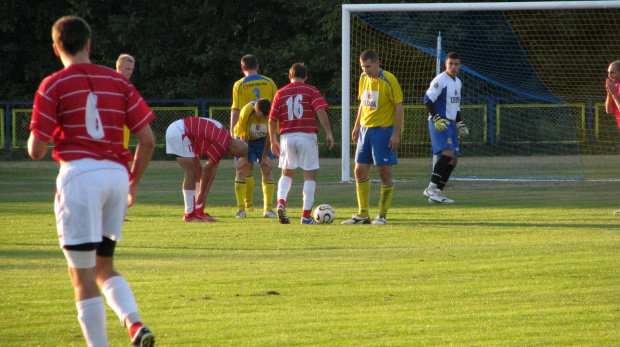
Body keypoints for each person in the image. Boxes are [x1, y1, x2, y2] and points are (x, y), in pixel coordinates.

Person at [28, 16, 155, 347]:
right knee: (104, 266)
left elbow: (37, 150)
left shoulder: (53, 84)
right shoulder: (119, 82)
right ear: (89, 44)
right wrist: (133, 183)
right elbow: (147, 139)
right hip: (115, 176)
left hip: (80, 176)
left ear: (56, 49)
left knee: (82, 276)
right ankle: (135, 324)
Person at [342, 50, 403, 225]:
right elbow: (363, 102)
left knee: (384, 173)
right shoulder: (363, 78)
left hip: (383, 131)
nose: (366, 70)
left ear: (378, 63)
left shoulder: (389, 80)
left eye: (368, 66)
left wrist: (396, 134)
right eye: (363, 67)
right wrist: (357, 125)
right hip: (365, 131)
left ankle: (382, 216)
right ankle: (363, 214)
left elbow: (398, 107)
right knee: (359, 171)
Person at [268, 63, 334, 225]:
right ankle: (305, 216)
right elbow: (320, 110)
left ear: (290, 76)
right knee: (309, 176)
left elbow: (272, 119)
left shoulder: (280, 93)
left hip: (287, 137)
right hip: (307, 136)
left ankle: (281, 203)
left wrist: (272, 140)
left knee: (286, 173)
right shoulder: (311, 90)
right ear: (305, 77)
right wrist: (329, 133)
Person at [165, 117, 248, 222]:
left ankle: (198, 212)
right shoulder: (222, 144)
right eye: (234, 154)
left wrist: (203, 193)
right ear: (235, 147)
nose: (231, 155)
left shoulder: (224, 135)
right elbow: (208, 169)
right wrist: (202, 192)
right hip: (179, 132)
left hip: (181, 129)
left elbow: (211, 168)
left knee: (197, 170)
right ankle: (189, 215)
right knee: (192, 172)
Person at [230, 54, 277, 212]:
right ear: (257, 66)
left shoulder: (239, 84)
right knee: (261, 168)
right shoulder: (269, 82)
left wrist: (232, 135)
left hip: (253, 130)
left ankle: (249, 205)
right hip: (251, 129)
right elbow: (276, 106)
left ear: (242, 68)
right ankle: (246, 207)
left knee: (246, 168)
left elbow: (235, 109)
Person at [422, 51, 469, 204]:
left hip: (450, 123)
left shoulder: (458, 82)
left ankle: (437, 194)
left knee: (454, 159)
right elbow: (427, 99)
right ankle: (430, 188)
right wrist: (436, 118)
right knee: (447, 153)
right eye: (451, 64)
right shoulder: (440, 80)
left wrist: (460, 123)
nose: (453, 67)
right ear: (445, 64)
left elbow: (455, 107)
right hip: (440, 123)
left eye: (456, 64)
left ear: (460, 65)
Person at [233, 98, 277, 218]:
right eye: (259, 115)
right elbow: (244, 137)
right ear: (254, 110)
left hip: (262, 141)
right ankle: (241, 210)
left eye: (264, 116)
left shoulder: (273, 112)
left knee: (267, 168)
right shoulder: (247, 112)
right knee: (242, 169)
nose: (262, 119)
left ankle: (268, 210)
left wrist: (265, 156)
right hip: (243, 140)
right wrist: (243, 157)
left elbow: (270, 136)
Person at [604, 60, 620, 214]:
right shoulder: (615, 88)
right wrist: (610, 93)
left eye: (613, 72)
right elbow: (609, 110)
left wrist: (614, 93)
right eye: (609, 72)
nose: (609, 75)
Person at [116, 54, 136, 150]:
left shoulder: (128, 87)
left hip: (124, 128)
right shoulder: (112, 83)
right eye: (127, 69)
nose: (130, 72)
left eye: (131, 70)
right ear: (119, 67)